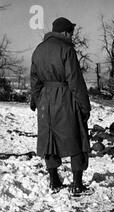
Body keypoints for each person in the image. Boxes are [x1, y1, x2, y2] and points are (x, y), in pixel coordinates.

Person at [30, 17, 91, 196]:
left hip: (45, 100)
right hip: (65, 97)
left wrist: (36, 101)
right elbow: (75, 81)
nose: (72, 37)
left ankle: (54, 179)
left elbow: (34, 79)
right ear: (65, 33)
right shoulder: (67, 49)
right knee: (77, 136)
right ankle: (77, 183)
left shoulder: (38, 50)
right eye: (71, 33)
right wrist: (84, 106)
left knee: (49, 138)